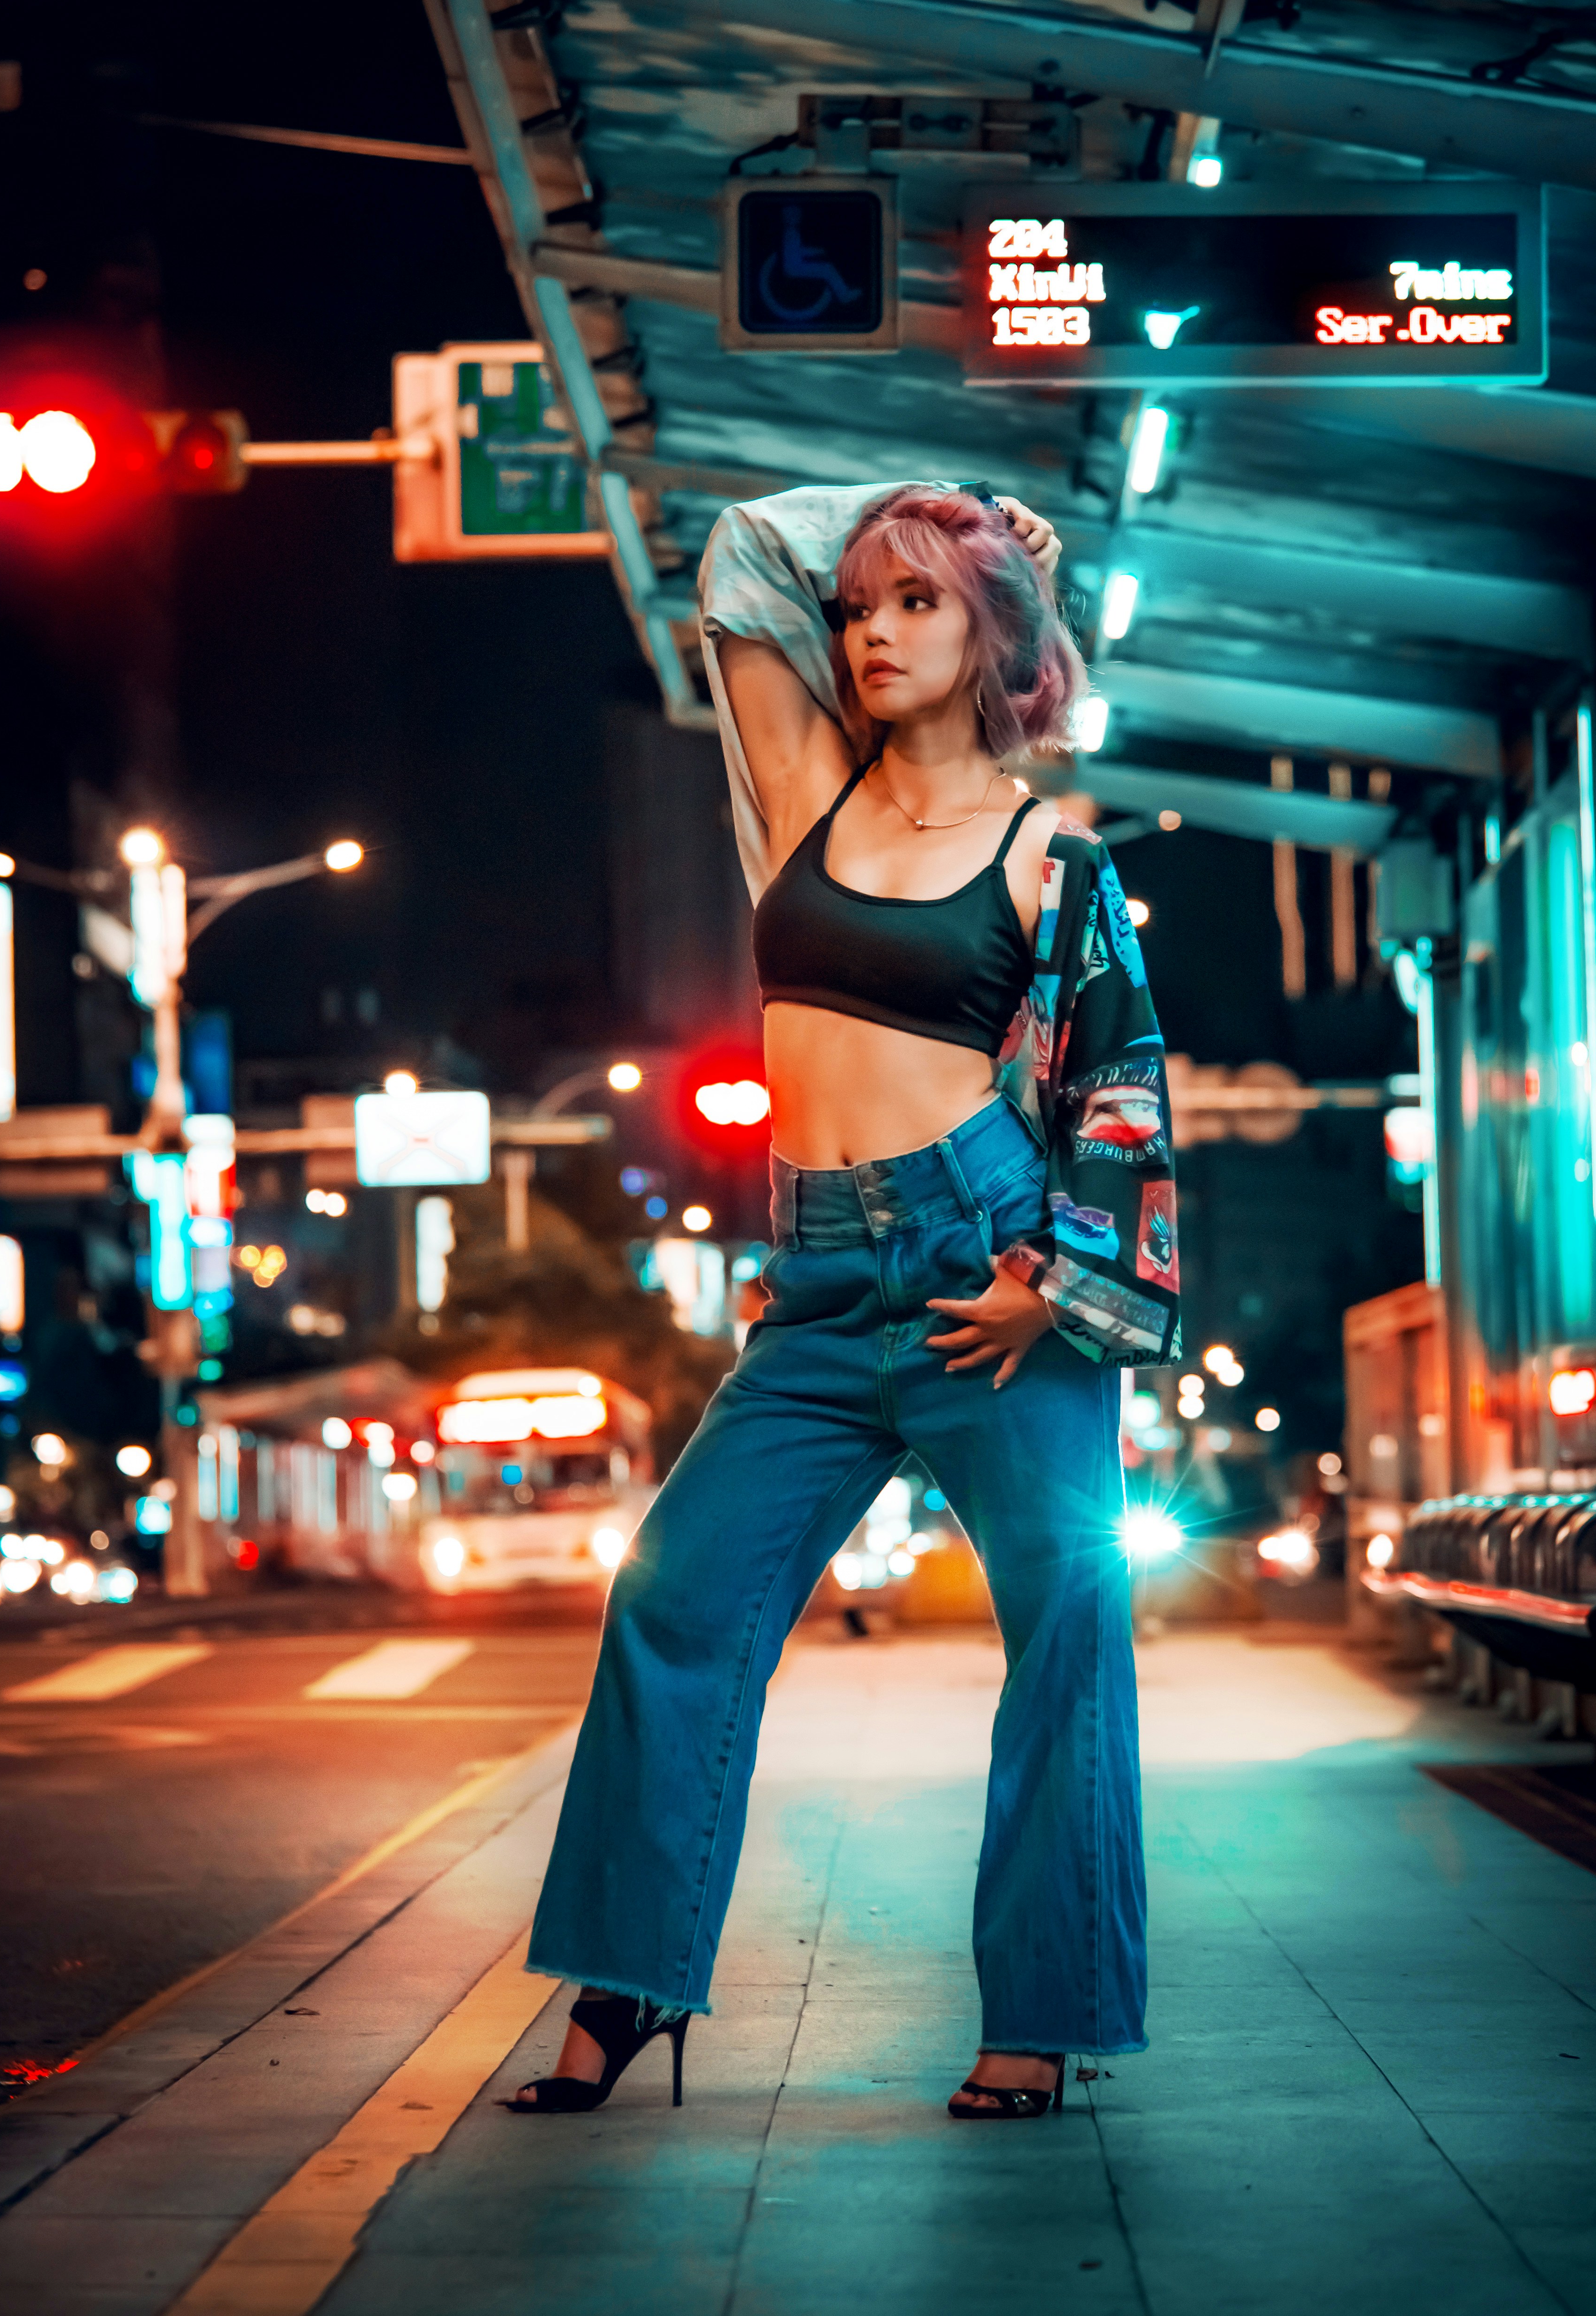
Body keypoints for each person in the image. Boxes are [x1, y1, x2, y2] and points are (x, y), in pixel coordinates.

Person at [508, 481, 1180, 2123]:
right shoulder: (803, 794)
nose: (872, 631)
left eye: (919, 605)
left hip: (988, 1272)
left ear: (990, 640)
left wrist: (1057, 1289)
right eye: (863, 606)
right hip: (812, 1290)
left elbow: (1122, 1092)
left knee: (1069, 1634)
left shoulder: (1052, 858)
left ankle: (1046, 2012)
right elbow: (742, 545)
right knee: (671, 1600)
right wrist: (942, 518)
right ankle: (628, 1990)